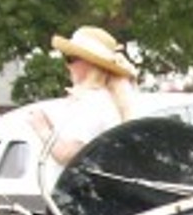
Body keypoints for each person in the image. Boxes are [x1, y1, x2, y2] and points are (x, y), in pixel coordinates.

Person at [29, 25, 139, 166]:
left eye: (70, 59)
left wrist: (42, 127)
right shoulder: (110, 100)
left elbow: (69, 155)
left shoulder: (92, 102)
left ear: (90, 64)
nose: (67, 66)